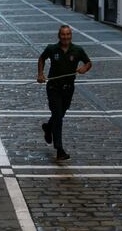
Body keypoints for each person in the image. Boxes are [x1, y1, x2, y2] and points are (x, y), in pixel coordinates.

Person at [37, 25, 92, 160]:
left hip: (68, 88)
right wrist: (40, 74)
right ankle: (59, 149)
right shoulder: (52, 49)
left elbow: (88, 62)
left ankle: (48, 127)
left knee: (60, 115)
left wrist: (84, 68)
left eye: (68, 34)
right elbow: (41, 59)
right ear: (59, 36)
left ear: (71, 36)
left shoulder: (77, 50)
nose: (65, 37)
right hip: (54, 87)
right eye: (63, 34)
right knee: (58, 116)